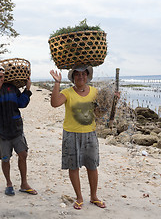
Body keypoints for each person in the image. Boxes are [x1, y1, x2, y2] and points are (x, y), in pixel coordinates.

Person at [49, 64, 106, 210]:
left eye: (83, 74)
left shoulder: (95, 92)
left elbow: (99, 114)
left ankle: (94, 197)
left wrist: (113, 101)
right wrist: (57, 83)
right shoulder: (67, 92)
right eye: (77, 74)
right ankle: (79, 197)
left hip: (90, 134)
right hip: (71, 134)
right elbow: (55, 103)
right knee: (73, 167)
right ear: (73, 77)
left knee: (92, 166)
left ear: (87, 76)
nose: (81, 76)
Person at [0, 61, 37, 196]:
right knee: (5, 158)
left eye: (1, 76)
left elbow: (22, 103)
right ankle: (9, 184)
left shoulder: (11, 88)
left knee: (23, 154)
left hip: (16, 128)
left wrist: (27, 91)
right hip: (1, 131)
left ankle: (24, 184)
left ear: (5, 77)